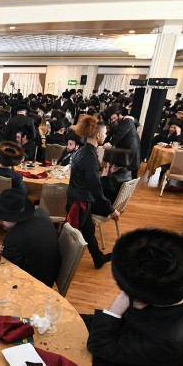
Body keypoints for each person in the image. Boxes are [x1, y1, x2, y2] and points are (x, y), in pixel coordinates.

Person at [83, 228, 183, 366]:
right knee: (69, 322)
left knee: (56, 352)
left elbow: (98, 345)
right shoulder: (176, 290)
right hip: (130, 345)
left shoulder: (167, 340)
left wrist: (121, 301)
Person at [67, 115, 119, 269]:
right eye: (105, 133)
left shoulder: (82, 151)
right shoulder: (89, 156)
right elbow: (95, 188)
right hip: (80, 201)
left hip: (76, 197)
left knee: (88, 230)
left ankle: (98, 258)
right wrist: (111, 210)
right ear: (98, 135)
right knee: (74, 234)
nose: (105, 136)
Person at [0, 188, 60, 287]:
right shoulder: (41, 213)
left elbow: (4, 266)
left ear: (15, 217)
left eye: (3, 218)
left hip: (36, 284)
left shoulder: (15, 238)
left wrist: (1, 254)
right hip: (49, 273)